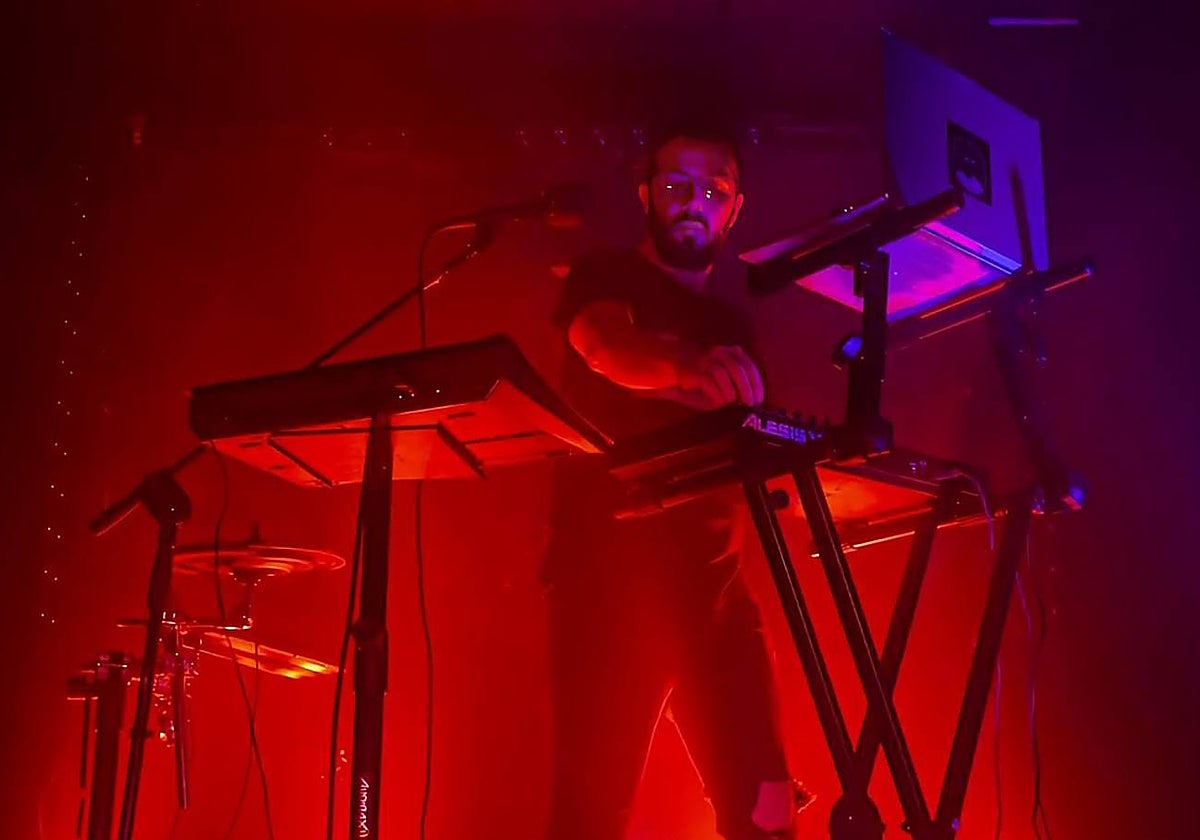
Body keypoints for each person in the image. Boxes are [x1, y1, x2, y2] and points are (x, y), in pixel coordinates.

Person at [543, 119, 809, 840]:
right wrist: (685, 368)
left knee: (768, 810)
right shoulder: (605, 278)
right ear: (646, 195)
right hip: (609, 584)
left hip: (716, 590)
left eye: (712, 191)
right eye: (676, 186)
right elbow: (605, 346)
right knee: (592, 817)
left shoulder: (731, 326)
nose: (694, 202)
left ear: (735, 208)